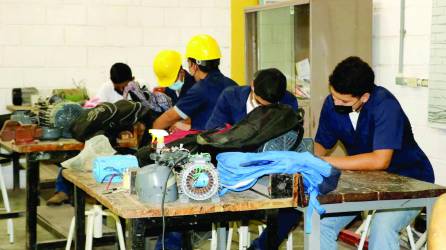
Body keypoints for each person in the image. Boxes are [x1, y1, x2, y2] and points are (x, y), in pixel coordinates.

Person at [249, 56, 435, 250]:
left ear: (364, 97)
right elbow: (321, 145)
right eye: (333, 95)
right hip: (366, 181)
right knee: (319, 223)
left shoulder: (386, 106)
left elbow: (380, 160)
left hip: (409, 181)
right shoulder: (332, 103)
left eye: (343, 100)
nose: (335, 102)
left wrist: (323, 161)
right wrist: (300, 160)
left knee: (382, 227)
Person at [152, 34, 237, 131]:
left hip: (210, 144)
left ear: (194, 65)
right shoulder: (233, 85)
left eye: (188, 62)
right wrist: (190, 127)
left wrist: (151, 129)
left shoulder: (201, 89)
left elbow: (170, 117)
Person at [205, 68, 298, 130]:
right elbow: (212, 132)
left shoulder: (288, 102)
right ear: (253, 85)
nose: (263, 109)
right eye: (258, 103)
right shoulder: (230, 97)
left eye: (270, 107)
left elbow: (292, 135)